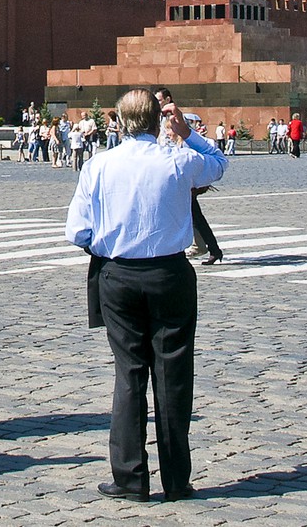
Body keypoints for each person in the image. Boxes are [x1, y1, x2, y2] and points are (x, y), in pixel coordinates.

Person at [65, 88, 227, 503]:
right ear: (158, 122)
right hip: (170, 275)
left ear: (119, 123)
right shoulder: (179, 160)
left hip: (117, 276)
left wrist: (106, 246)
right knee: (173, 375)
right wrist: (187, 133)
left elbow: (77, 231)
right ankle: (176, 479)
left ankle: (130, 477)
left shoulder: (98, 165)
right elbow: (219, 164)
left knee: (129, 374)